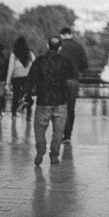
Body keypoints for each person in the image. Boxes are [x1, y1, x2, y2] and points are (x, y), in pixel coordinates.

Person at [27, 35, 76, 165]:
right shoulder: (65, 62)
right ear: (60, 48)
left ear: (47, 46)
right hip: (60, 100)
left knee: (39, 128)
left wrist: (26, 94)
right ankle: (54, 155)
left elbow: (30, 79)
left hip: (43, 100)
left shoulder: (39, 61)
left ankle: (40, 150)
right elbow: (72, 76)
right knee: (58, 131)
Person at [59, 25, 88, 142]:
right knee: (71, 108)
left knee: (62, 107)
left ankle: (64, 131)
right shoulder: (79, 47)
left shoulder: (59, 47)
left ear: (61, 35)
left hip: (60, 80)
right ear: (71, 35)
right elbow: (84, 65)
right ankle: (68, 135)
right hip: (73, 80)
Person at [6, 36, 35, 119]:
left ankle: (14, 112)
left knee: (16, 94)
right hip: (28, 77)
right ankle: (29, 114)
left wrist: (7, 82)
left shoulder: (14, 54)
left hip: (16, 77)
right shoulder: (30, 53)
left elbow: (10, 68)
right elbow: (35, 64)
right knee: (28, 94)